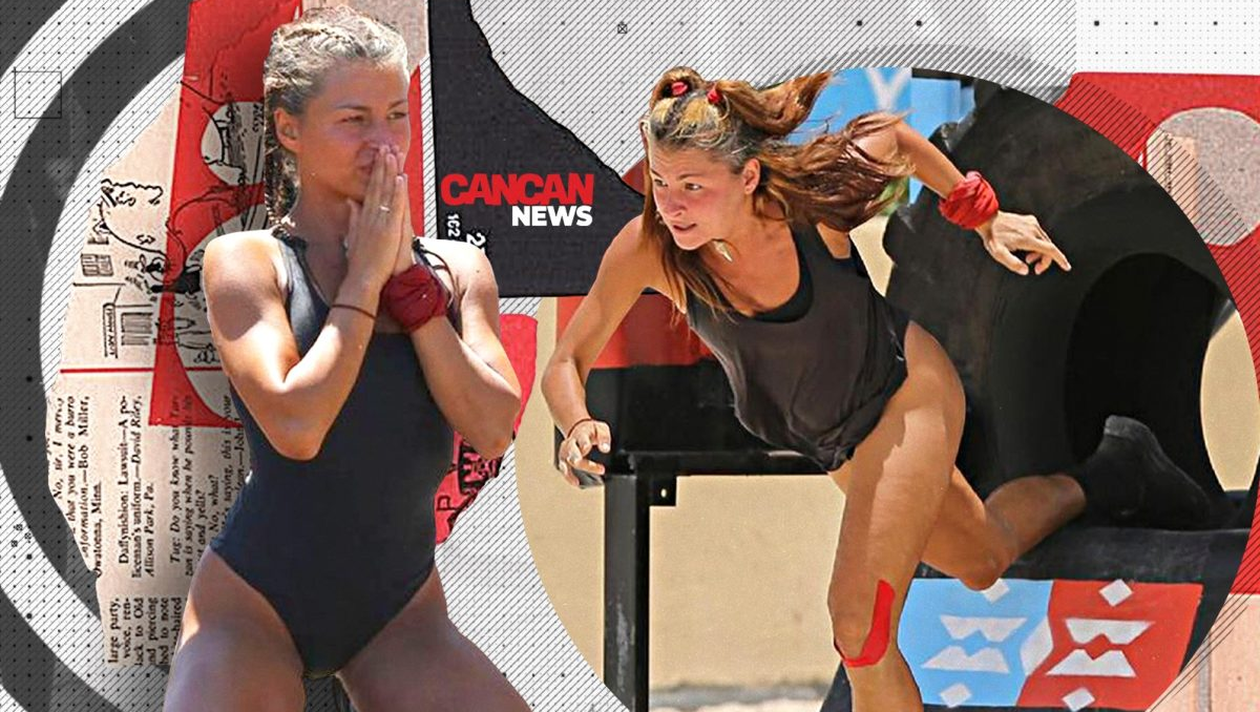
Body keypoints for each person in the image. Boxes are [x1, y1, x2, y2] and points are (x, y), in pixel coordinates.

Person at [541, 66, 1212, 711]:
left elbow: (891, 136)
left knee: (860, 629)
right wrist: (577, 425)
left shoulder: (811, 204)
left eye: (693, 185)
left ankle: (1118, 468)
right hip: (840, 444)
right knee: (982, 557)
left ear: (747, 176)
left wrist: (985, 215)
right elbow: (565, 362)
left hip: (907, 394)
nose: (672, 204)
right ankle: (1118, 469)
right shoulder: (651, 248)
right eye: (661, 182)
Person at [162, 7, 527, 711]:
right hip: (255, 605)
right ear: (289, 129)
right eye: (354, 120)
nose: (383, 142)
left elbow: (491, 429)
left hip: (400, 613)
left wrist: (411, 291)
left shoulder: (456, 269)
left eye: (396, 115)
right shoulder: (247, 261)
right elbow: (298, 427)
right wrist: (362, 282)